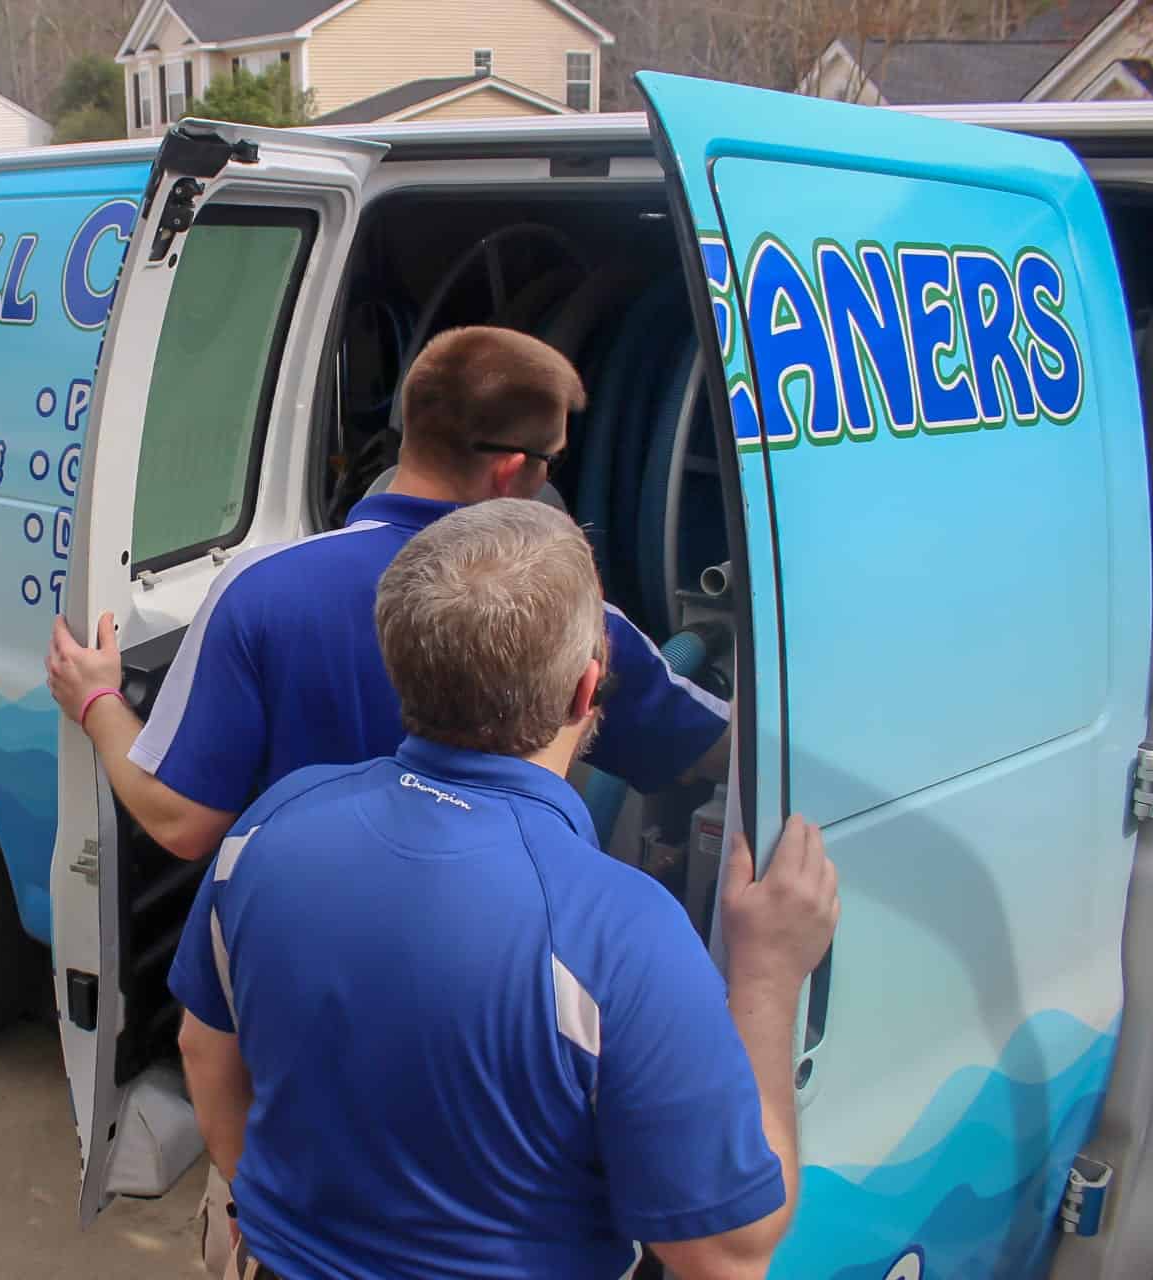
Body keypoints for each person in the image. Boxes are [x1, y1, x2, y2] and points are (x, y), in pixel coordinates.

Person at [45, 325, 729, 1269]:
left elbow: (180, 820)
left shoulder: (264, 590)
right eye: (551, 463)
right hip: (496, 1085)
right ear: (513, 473)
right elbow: (714, 749)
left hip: (299, 1078)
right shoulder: (575, 626)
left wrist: (97, 703)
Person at [169, 498, 840, 1280]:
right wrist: (768, 978)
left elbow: (204, 1053)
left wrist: (295, 1236)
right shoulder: (618, 932)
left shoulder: (270, 827)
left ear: (399, 664)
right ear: (588, 688)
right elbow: (729, 1251)